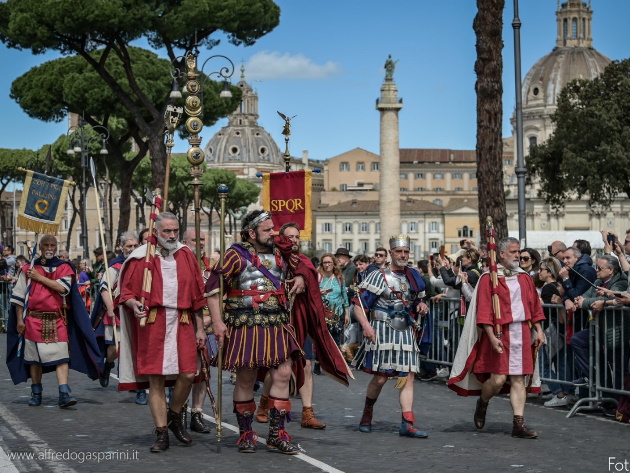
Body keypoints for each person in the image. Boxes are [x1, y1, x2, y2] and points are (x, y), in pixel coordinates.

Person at [206, 210, 306, 454]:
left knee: (283, 374)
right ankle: (246, 434)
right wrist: (217, 322)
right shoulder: (235, 255)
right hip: (245, 322)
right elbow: (212, 288)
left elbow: (304, 264)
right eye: (267, 230)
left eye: (273, 229)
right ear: (251, 233)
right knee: (246, 378)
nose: (273, 233)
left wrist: (301, 275)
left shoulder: (281, 253)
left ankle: (276, 434)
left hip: (276, 323)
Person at [117, 212, 206, 453]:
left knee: (188, 373)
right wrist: (133, 304)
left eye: (175, 230)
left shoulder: (186, 255)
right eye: (167, 231)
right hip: (154, 322)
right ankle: (162, 432)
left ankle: (174, 415)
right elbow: (125, 293)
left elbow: (198, 296)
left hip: (183, 320)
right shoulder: (141, 257)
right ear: (156, 231)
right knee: (155, 379)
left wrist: (200, 328)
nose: (172, 235)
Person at [448, 237, 546, 438]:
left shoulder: (524, 278)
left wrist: (539, 330)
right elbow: (484, 311)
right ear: (501, 254)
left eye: (518, 252)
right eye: (513, 252)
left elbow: (534, 306)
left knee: (519, 378)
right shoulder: (488, 278)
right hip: (501, 333)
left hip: (521, 333)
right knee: (499, 379)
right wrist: (492, 337)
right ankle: (483, 402)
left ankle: (518, 424)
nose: (517, 256)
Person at [255, 222, 349, 431]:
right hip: (277, 321)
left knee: (306, 365)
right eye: (290, 237)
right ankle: (263, 403)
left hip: (300, 321)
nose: (295, 240)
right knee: (276, 368)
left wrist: (302, 276)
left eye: (297, 237)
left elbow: (308, 275)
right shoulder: (273, 261)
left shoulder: (304, 261)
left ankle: (307, 412)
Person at [7, 235, 102, 407]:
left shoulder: (64, 267)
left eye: (52, 245)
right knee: (34, 360)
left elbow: (62, 288)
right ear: (40, 247)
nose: (49, 248)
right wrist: (19, 321)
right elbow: (19, 298)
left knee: (62, 357)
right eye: (46, 245)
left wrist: (38, 277)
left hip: (57, 319)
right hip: (33, 320)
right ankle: (36, 392)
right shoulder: (28, 269)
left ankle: (64, 392)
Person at [352, 234, 430, 438]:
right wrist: (366, 326)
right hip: (382, 329)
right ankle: (367, 413)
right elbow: (358, 305)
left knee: (407, 376)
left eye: (406, 251)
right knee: (381, 378)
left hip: (405, 331)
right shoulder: (379, 275)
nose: (403, 255)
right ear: (391, 253)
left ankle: (407, 422)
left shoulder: (414, 276)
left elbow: (419, 301)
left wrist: (421, 306)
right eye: (399, 252)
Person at [90, 232, 139, 392]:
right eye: (129, 246)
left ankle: (132, 380)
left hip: (136, 311)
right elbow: (104, 288)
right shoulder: (115, 267)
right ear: (122, 247)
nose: (132, 249)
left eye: (134, 246)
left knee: (134, 348)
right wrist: (111, 310)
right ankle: (108, 364)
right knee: (114, 349)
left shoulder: (141, 263)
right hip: (117, 312)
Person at [180, 227, 212, 434]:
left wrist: (209, 320)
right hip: (181, 325)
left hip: (204, 327)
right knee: (182, 373)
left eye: (202, 239)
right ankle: (178, 410)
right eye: (194, 239)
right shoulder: (176, 263)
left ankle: (197, 413)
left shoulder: (211, 268)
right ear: (185, 241)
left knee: (202, 373)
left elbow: (219, 297)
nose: (199, 243)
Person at [318, 254, 350, 348]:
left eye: (329, 262)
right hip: (322, 314)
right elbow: (311, 293)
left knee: (336, 342)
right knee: (322, 342)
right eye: (325, 262)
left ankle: (336, 362)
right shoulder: (318, 277)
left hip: (337, 314)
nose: (327, 265)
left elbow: (344, 296)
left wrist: (347, 314)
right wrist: (318, 292)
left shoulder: (339, 278)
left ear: (334, 264)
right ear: (322, 264)